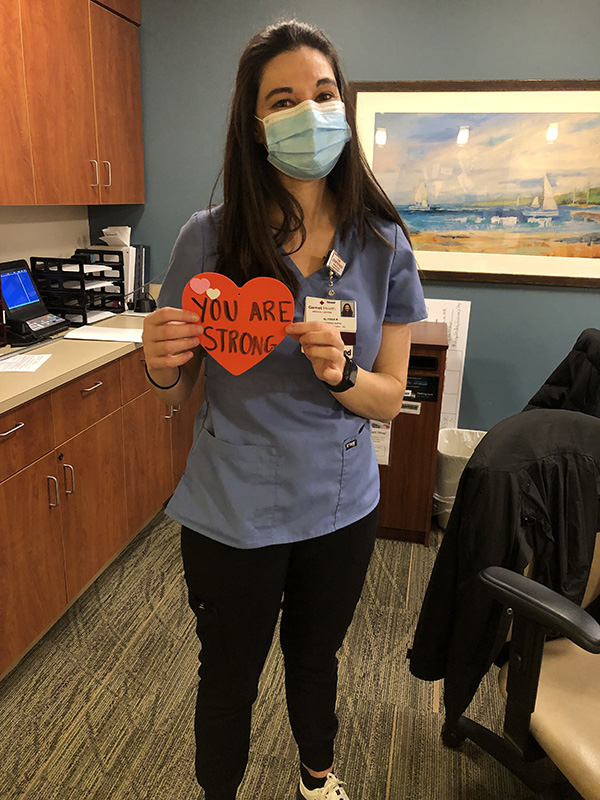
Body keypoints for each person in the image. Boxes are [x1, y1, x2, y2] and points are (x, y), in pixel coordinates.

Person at [141, 19, 426, 800]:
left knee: (316, 655)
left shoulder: (384, 244)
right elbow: (175, 392)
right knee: (228, 671)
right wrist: (158, 363)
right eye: (284, 98)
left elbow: (390, 398)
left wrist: (340, 375)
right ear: (254, 121)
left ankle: (317, 778)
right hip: (231, 509)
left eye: (324, 93)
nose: (310, 111)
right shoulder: (208, 241)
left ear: (345, 103)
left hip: (339, 503)